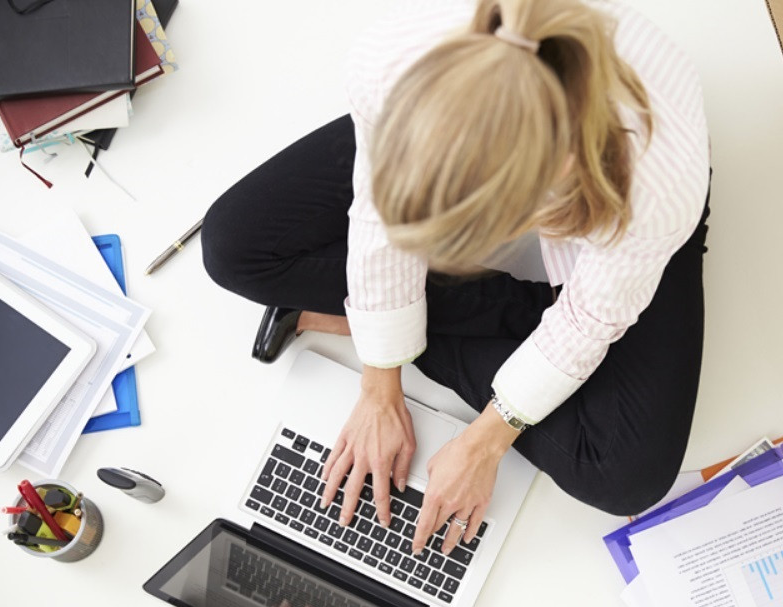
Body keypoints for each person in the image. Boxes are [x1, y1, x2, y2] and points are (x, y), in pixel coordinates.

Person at [202, 0, 711, 560]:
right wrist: (379, 384)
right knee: (234, 248)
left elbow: (589, 320)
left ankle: (403, 316)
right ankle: (497, 318)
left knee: (624, 475)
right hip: (477, 112)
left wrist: (485, 444)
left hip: (624, 192)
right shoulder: (387, 61)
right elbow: (379, 219)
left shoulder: (659, 185)